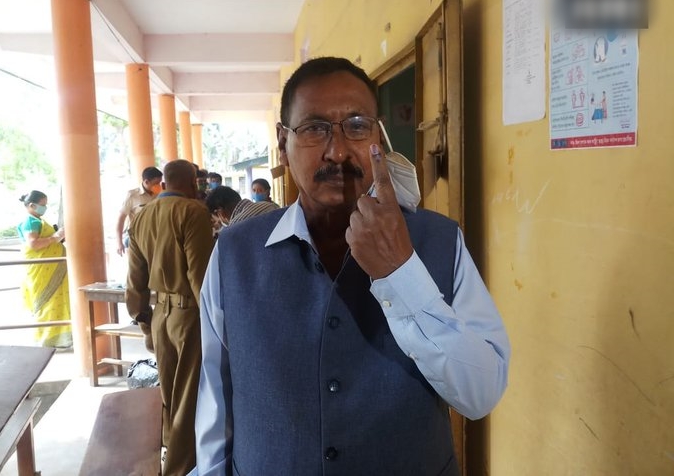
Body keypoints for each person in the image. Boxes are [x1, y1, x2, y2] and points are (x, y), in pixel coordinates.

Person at [192, 57, 510, 475]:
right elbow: (216, 410)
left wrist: (402, 272)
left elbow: (481, 393)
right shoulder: (235, 254)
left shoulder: (440, 241)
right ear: (283, 143)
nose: (337, 151)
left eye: (357, 126)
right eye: (314, 129)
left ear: (378, 136)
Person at [125, 160, 214, 476]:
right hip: (189, 315)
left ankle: (167, 455)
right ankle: (178, 469)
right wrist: (219, 324)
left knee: (170, 395)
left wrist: (143, 320)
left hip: (159, 315)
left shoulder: (142, 216)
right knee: (188, 400)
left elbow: (134, 280)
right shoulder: (193, 213)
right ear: (191, 181)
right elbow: (200, 276)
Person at [17, 190, 72, 348]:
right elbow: (33, 244)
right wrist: (56, 237)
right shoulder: (30, 221)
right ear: (32, 205)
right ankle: (46, 340)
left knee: (57, 302)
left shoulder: (37, 220)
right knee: (46, 303)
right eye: (43, 205)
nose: (45, 208)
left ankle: (61, 339)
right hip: (42, 269)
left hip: (52, 268)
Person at [115, 166, 163, 256]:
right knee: (138, 268)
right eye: (156, 183)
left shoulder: (159, 195)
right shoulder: (132, 196)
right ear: (146, 182)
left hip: (155, 238)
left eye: (160, 183)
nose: (159, 186)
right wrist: (119, 242)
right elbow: (121, 219)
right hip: (137, 238)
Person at [206, 185, 280, 235]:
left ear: (220, 212)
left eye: (217, 220)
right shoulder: (271, 205)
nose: (218, 223)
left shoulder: (233, 231)